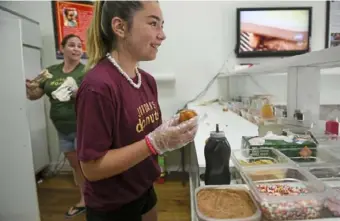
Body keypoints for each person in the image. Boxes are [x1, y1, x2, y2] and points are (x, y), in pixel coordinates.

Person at [75, 1, 199, 221]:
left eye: (162, 25)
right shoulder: (98, 86)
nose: (162, 35)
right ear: (120, 27)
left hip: (144, 188)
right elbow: (92, 169)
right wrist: (154, 143)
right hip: (112, 204)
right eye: (154, 24)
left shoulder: (147, 81)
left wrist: (171, 134)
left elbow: (141, 136)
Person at [26, 34, 86, 218]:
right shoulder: (51, 71)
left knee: (86, 166)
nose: (76, 49)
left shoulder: (87, 71)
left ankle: (94, 199)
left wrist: (78, 94)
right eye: (71, 45)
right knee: (76, 166)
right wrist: (30, 89)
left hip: (82, 127)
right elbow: (35, 95)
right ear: (62, 49)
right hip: (62, 128)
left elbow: (96, 98)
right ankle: (86, 199)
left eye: (79, 45)